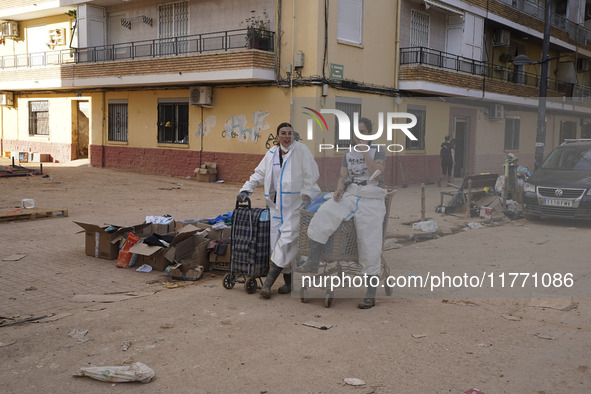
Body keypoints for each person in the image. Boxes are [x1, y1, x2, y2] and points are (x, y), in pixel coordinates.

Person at [296, 118, 387, 309]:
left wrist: (365, 154)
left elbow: (376, 174)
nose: (359, 136)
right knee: (325, 212)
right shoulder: (348, 153)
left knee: (369, 241)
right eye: (356, 133)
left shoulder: (378, 150)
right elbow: (343, 177)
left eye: (363, 132)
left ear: (370, 134)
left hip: (371, 197)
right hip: (351, 193)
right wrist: (339, 190)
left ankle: (370, 294)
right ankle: (313, 261)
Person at [237, 122, 321, 299]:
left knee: (286, 242)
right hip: (276, 208)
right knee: (277, 244)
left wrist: (306, 197)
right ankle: (289, 284)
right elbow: (258, 174)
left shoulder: (302, 151)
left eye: (290, 133)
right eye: (283, 133)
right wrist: (246, 189)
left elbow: (311, 175)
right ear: (277, 136)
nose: (287, 136)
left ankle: (267, 285)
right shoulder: (271, 154)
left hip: (296, 205)